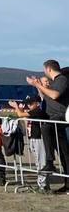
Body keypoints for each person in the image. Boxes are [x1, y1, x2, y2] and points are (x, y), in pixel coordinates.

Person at [27, 59, 69, 193]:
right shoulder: (54, 82)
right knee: (64, 153)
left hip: (60, 118)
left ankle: (50, 162)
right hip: (53, 118)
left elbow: (55, 95)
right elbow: (48, 96)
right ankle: (67, 183)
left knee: (47, 129)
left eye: (44, 69)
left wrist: (38, 85)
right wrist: (38, 85)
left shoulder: (62, 80)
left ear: (49, 69)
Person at [9, 95, 50, 194]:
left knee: (41, 162)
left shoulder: (38, 111)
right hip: (33, 138)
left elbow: (20, 114)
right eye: (28, 103)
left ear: (37, 103)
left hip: (39, 139)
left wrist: (16, 107)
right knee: (37, 162)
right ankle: (42, 184)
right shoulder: (33, 111)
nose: (29, 105)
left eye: (31, 104)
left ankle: (43, 185)